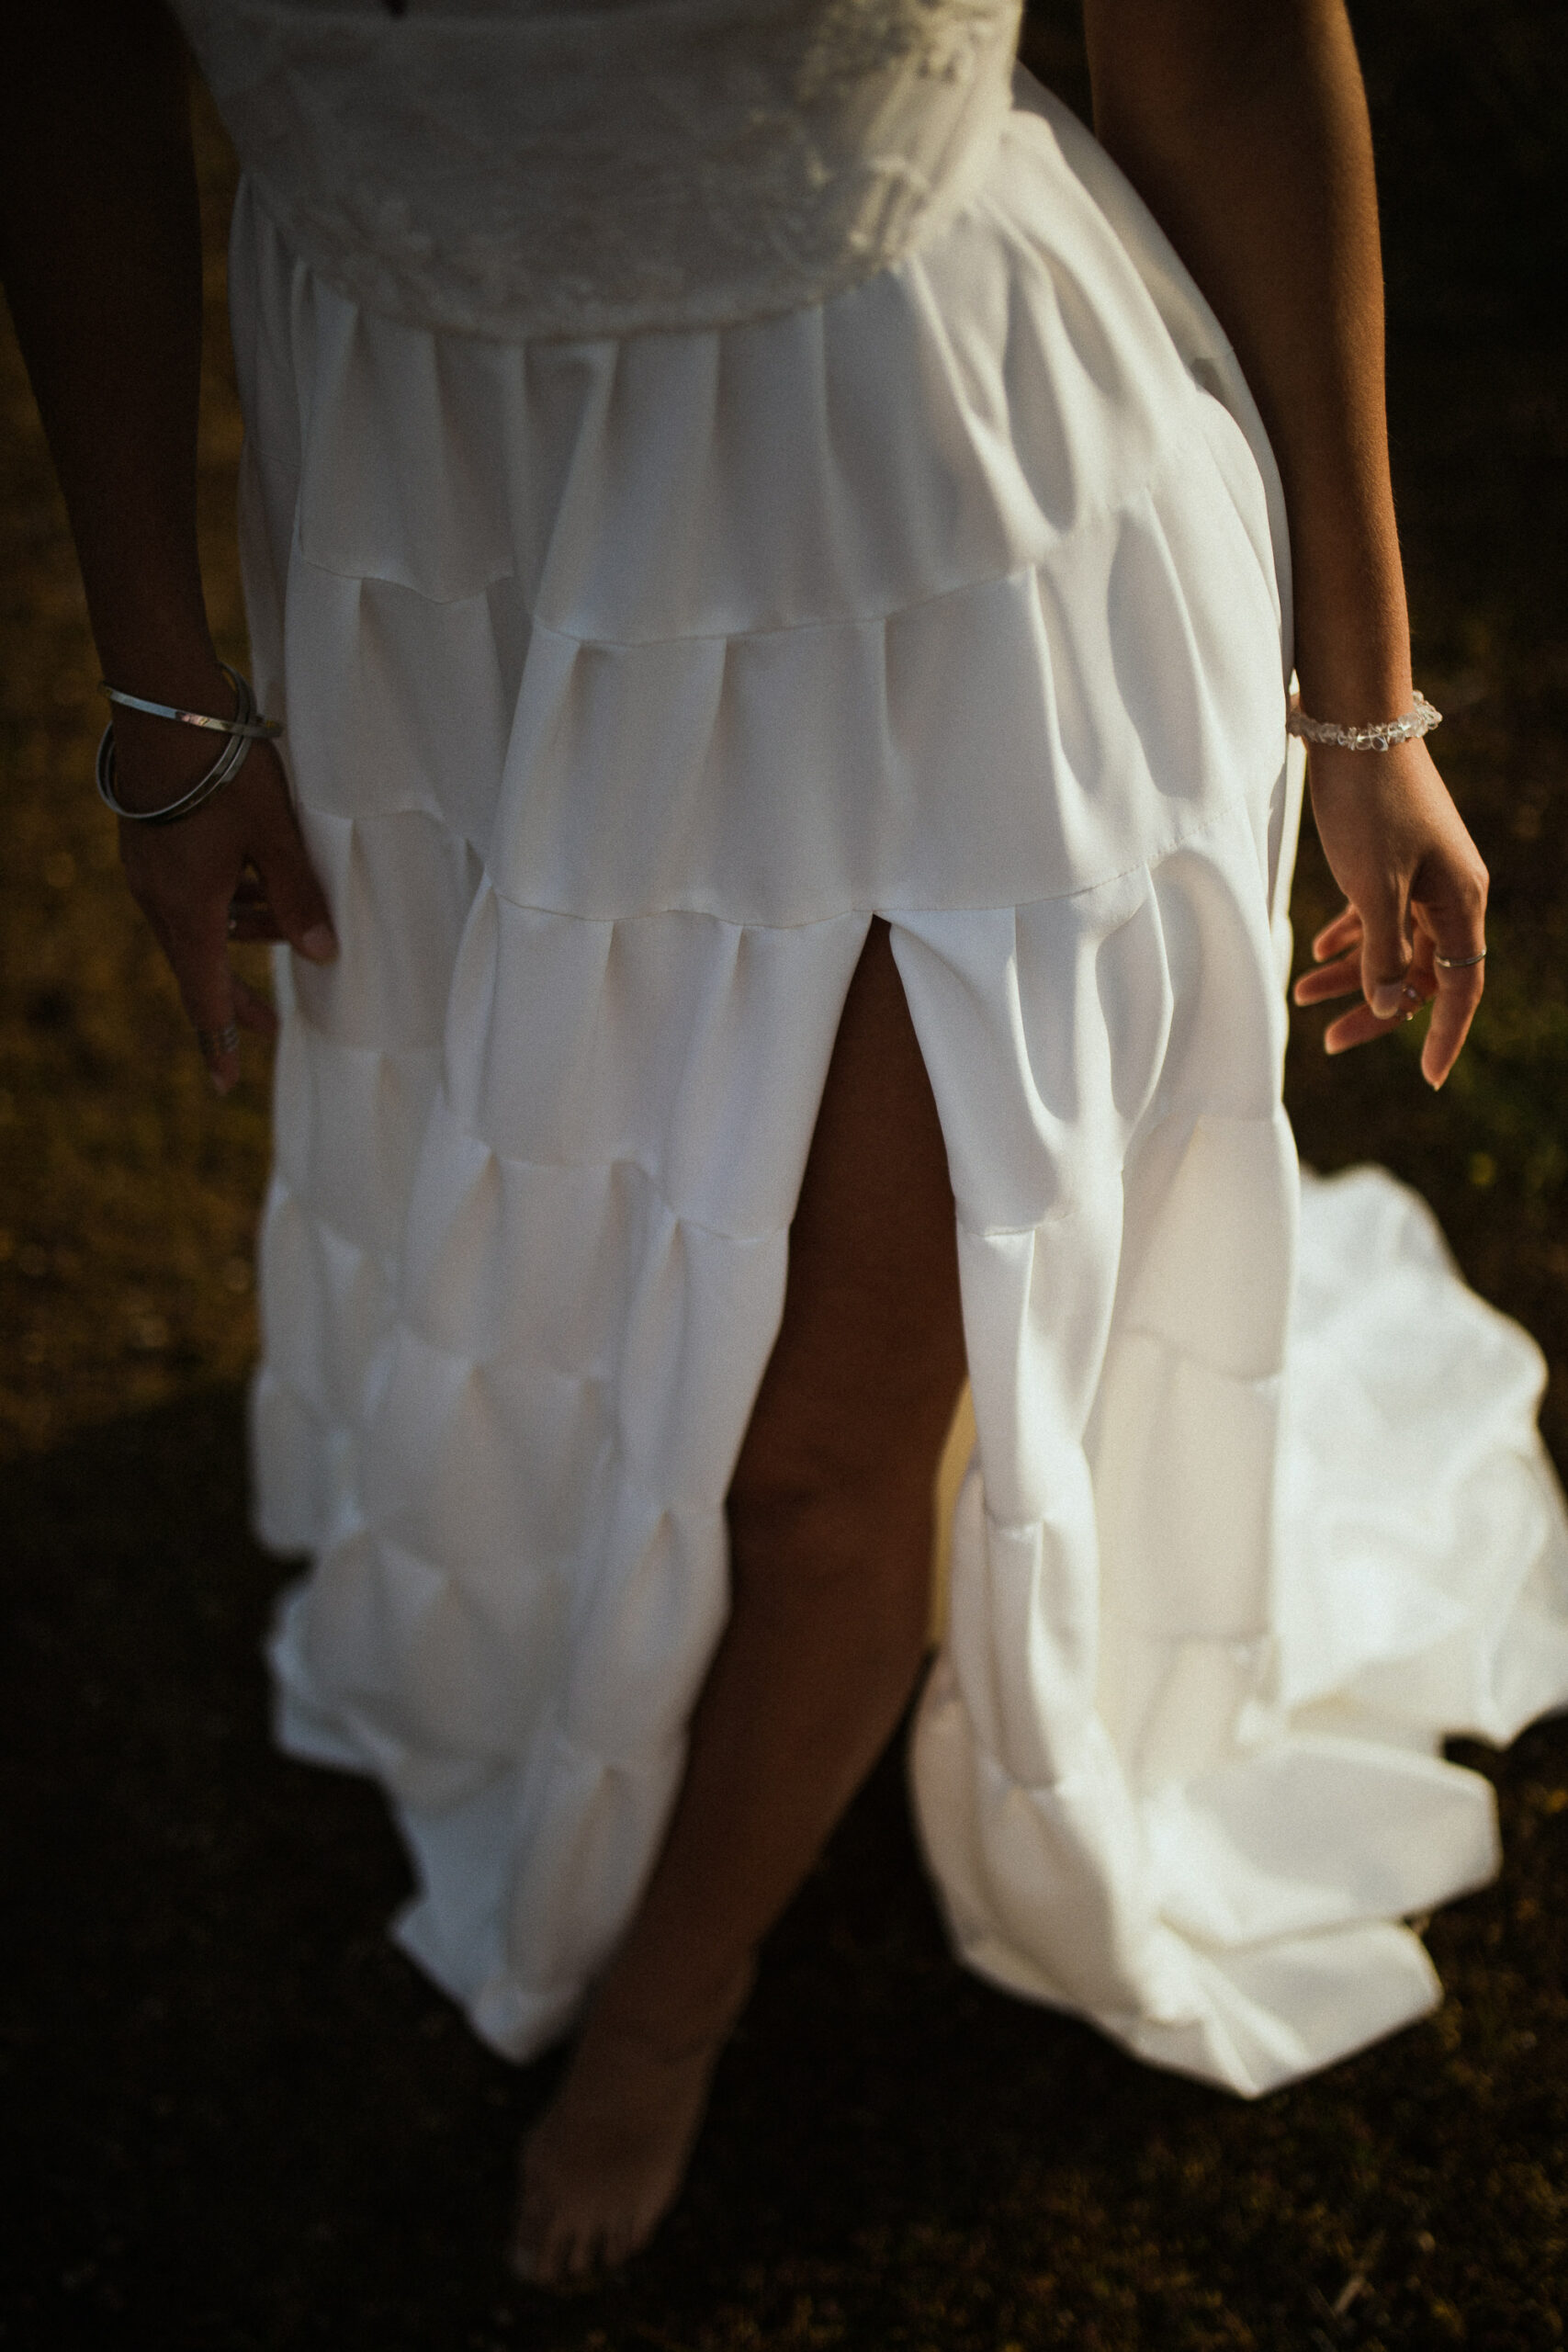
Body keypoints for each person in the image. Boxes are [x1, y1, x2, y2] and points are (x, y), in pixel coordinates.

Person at [6, 0, 1567, 2290]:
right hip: (452, 564)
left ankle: (675, 1988)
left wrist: (1361, 692)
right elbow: (63, 67)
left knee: (832, 1436)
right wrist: (158, 671)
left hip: (936, 549)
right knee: (566, 1228)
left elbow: (1217, 36)